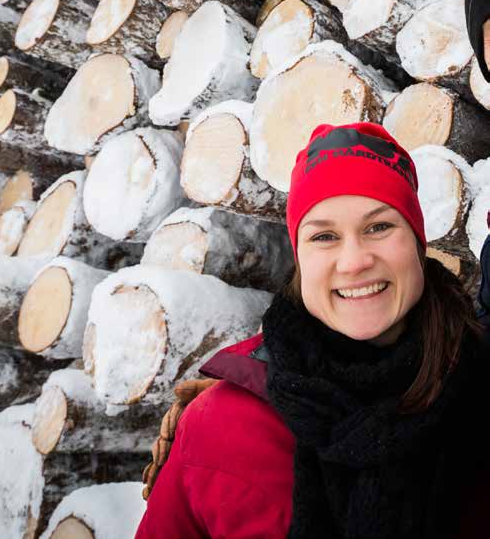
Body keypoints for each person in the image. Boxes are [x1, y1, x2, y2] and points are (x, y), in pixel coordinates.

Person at [135, 122, 490, 539]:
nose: (354, 261)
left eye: (378, 227)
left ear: (416, 241)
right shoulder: (221, 426)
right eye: (324, 236)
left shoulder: (481, 386)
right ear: (300, 259)